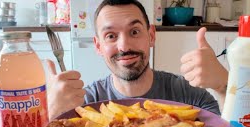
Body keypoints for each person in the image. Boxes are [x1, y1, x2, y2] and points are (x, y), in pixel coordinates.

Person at [46, 0, 228, 120]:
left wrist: (224, 87)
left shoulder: (186, 94)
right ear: (98, 46)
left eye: (134, 32)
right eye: (111, 36)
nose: (124, 46)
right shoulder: (84, 103)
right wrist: (51, 115)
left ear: (151, 36)